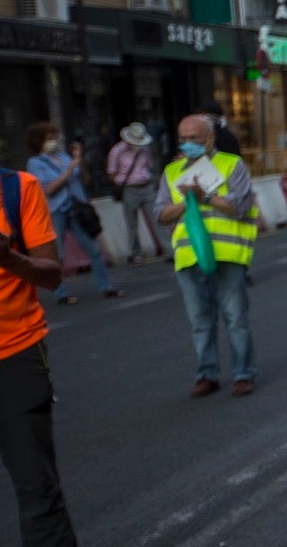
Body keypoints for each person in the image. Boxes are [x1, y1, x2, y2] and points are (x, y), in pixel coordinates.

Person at [0, 161, 98, 547]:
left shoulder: (18, 188)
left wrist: (9, 258)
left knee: (35, 479)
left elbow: (53, 274)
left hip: (15, 353)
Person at [154, 114, 260, 396]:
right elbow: (160, 214)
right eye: (183, 138)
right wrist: (185, 201)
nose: (188, 143)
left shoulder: (231, 164)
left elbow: (241, 205)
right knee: (200, 321)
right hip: (190, 257)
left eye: (195, 138)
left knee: (235, 318)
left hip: (227, 253)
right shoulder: (172, 172)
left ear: (210, 138)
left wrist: (207, 198)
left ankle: (243, 374)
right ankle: (207, 374)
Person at [24, 122, 123, 305]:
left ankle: (106, 286)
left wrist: (79, 160)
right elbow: (49, 189)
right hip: (56, 210)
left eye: (55, 137)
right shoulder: (36, 163)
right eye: (49, 138)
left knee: (93, 249)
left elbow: (84, 179)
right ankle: (60, 293)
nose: (54, 141)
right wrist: (70, 169)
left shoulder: (63, 156)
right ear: (39, 141)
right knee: (58, 254)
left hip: (77, 208)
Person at [108, 122, 162, 263]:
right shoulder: (117, 151)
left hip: (146, 186)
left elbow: (149, 165)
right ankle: (135, 253)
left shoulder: (145, 150)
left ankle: (169, 249)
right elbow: (112, 172)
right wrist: (121, 183)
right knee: (132, 223)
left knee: (157, 218)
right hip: (129, 188)